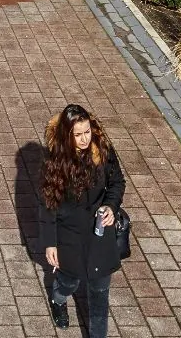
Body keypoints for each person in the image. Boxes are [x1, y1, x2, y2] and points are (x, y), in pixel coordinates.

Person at [39, 104, 126, 335]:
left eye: (87, 131)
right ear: (67, 135)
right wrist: (50, 242)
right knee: (69, 283)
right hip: (69, 236)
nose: (84, 139)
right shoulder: (55, 161)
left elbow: (117, 182)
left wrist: (110, 206)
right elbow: (49, 205)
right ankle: (58, 299)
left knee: (100, 294)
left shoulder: (103, 151)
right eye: (77, 135)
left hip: (100, 233)